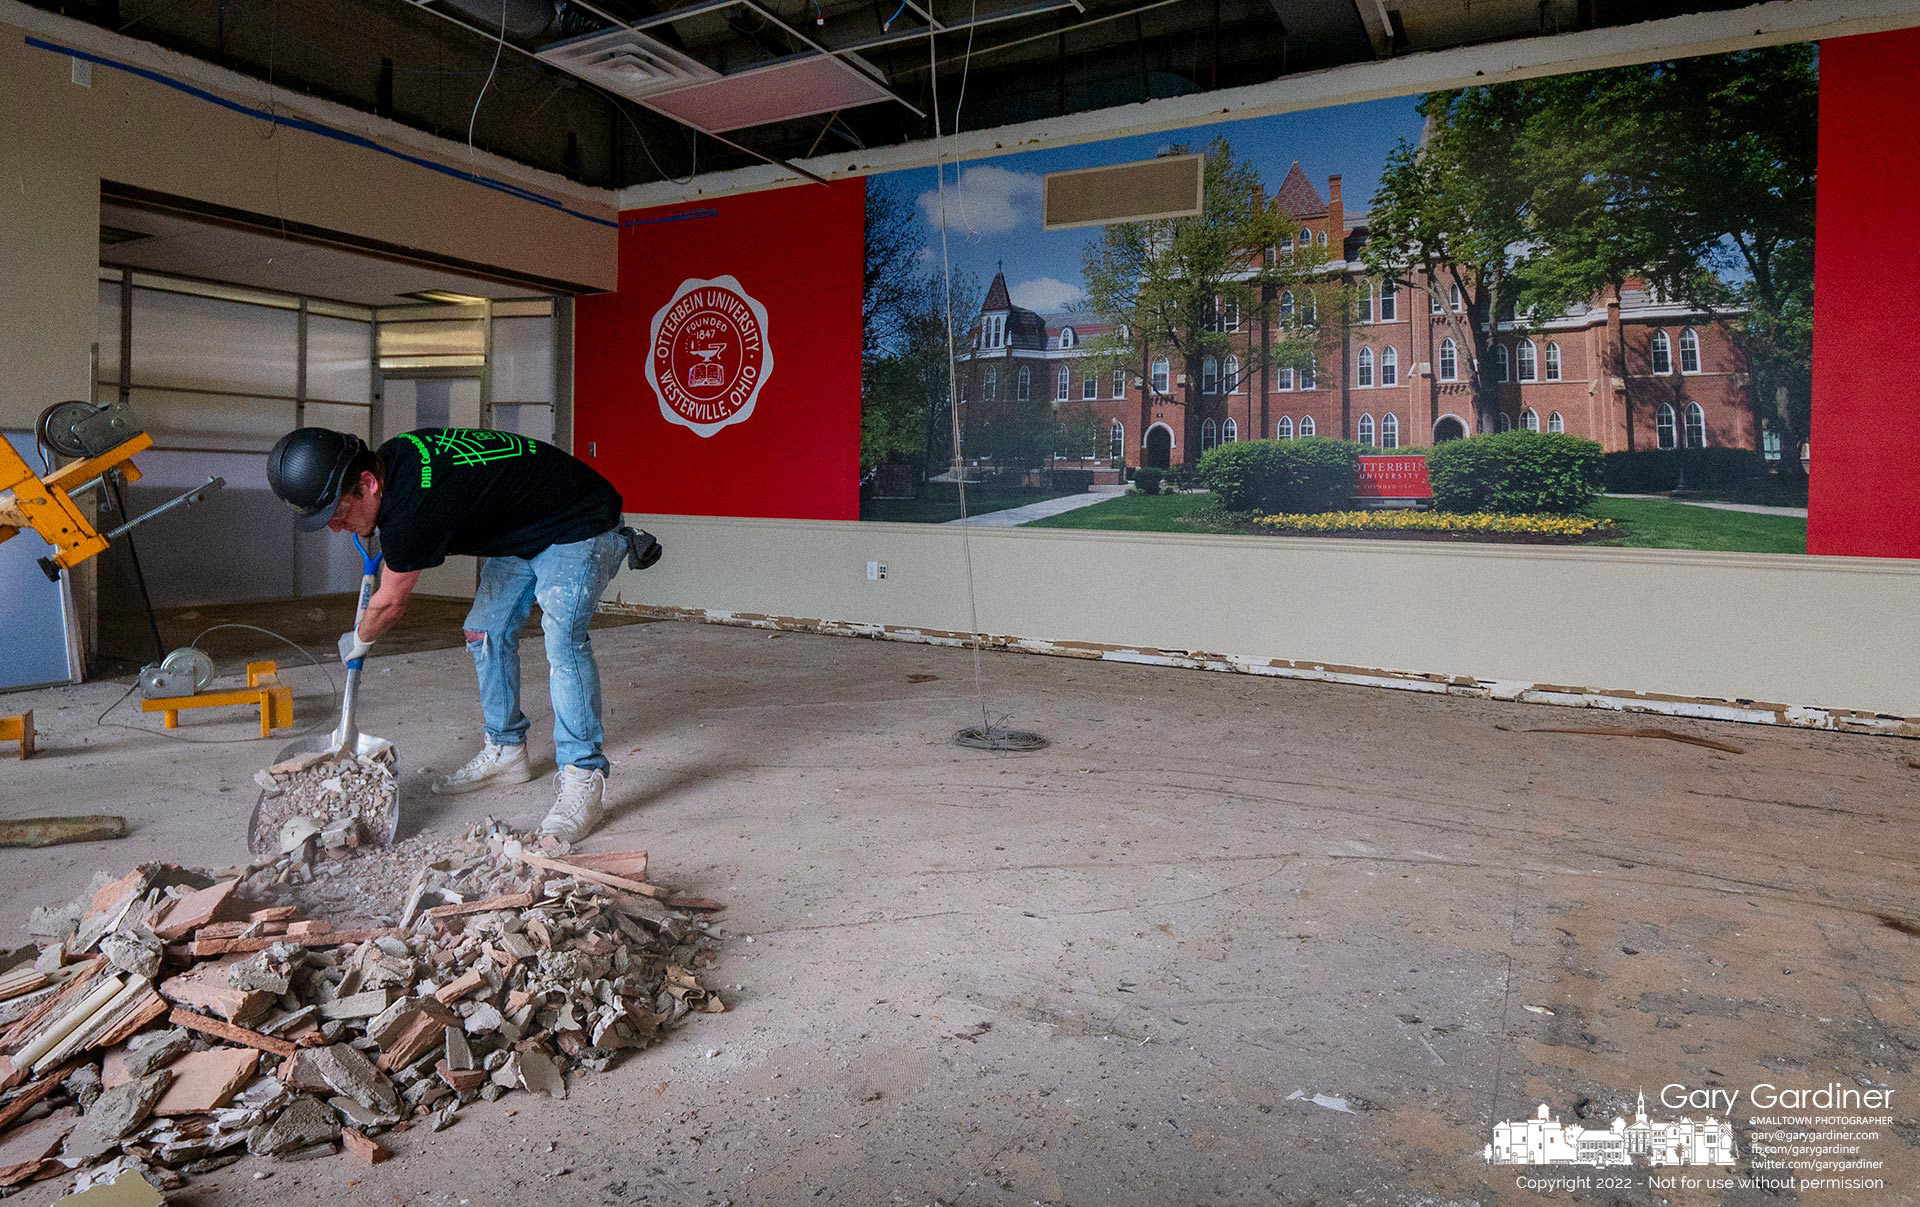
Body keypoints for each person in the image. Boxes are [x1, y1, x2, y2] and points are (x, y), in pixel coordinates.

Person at [266, 426, 652, 842]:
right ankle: (506, 751)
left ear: (368, 483)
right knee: (485, 630)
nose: (337, 529)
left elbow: (390, 603)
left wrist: (359, 637)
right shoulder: (394, 456)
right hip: (526, 527)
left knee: (563, 640)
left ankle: (583, 775)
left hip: (580, 522)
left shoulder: (414, 507)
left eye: (338, 514)